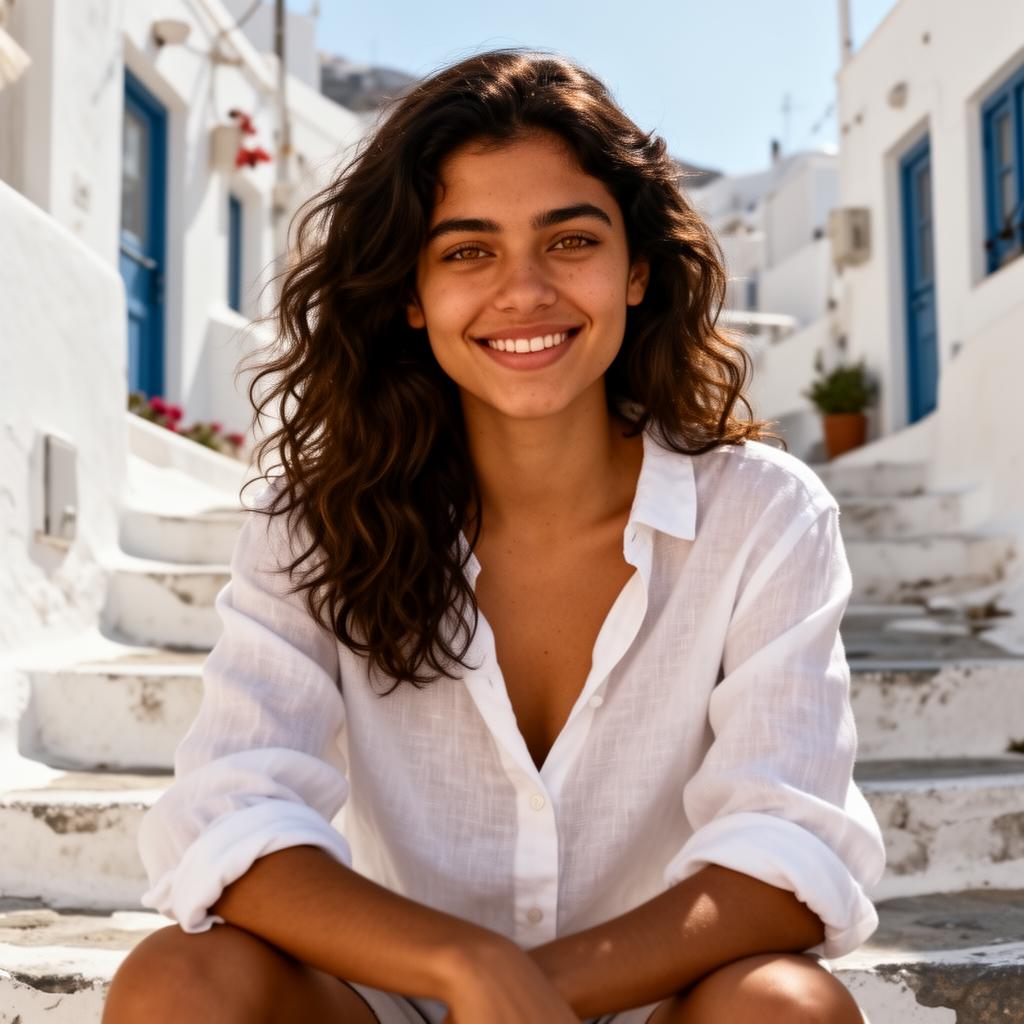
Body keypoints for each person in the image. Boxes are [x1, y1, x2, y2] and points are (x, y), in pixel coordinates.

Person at [103, 49, 885, 1024]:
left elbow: (786, 851)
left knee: (787, 1006)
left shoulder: (763, 515)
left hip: (656, 1002)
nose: (525, 291)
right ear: (410, 292)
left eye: (569, 241)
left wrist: (525, 994)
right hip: (399, 998)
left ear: (636, 268)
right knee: (178, 982)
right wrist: (462, 966)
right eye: (467, 250)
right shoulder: (309, 521)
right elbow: (231, 816)